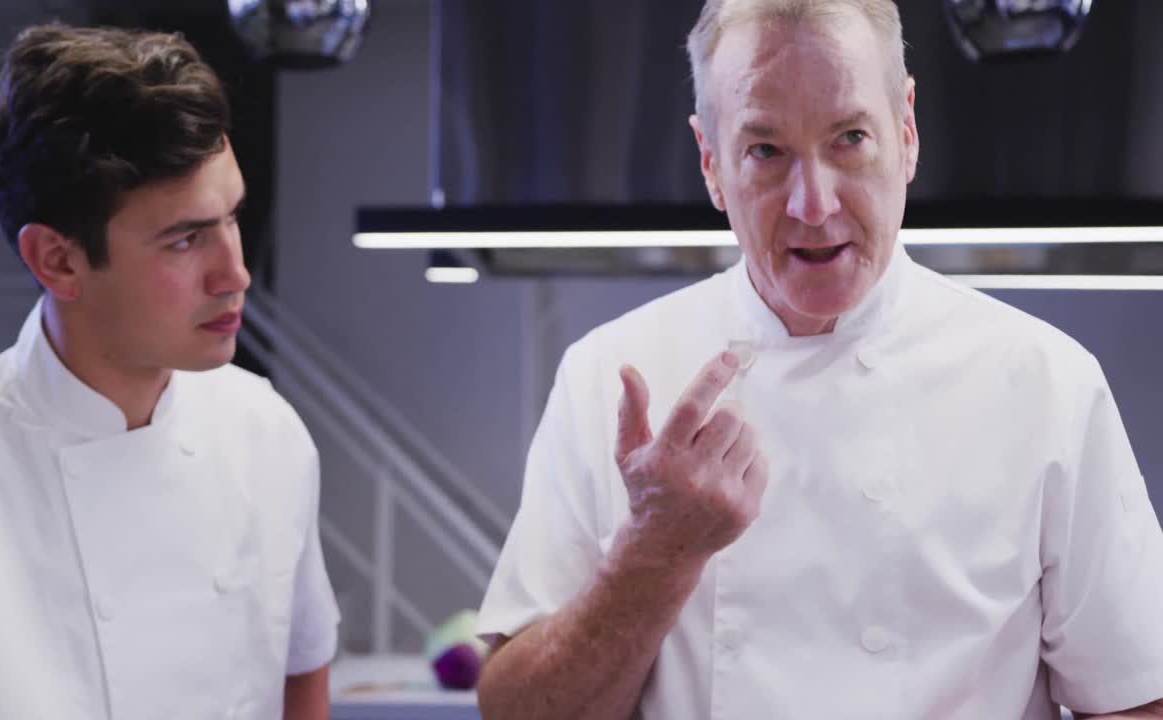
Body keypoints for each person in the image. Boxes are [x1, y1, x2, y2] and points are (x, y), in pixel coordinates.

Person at [474, 1, 1163, 718]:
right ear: (711, 164)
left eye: (850, 138)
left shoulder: (1048, 385)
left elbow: (1137, 700)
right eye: (765, 151)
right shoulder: (610, 378)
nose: (813, 203)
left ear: (906, 131)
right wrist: (655, 551)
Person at [0, 24, 338, 719]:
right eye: (185, 238)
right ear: (57, 261)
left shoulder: (268, 434)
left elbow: (301, 675)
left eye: (232, 218)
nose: (235, 273)